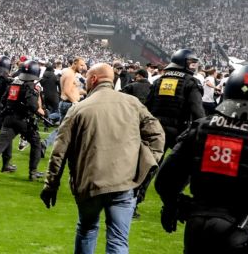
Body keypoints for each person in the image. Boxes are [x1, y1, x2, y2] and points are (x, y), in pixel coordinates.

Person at [155, 64, 248, 254]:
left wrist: (173, 204)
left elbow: (166, 178)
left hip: (197, 223)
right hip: (238, 225)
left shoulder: (202, 126)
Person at [40, 63, 164, 254]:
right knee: (118, 240)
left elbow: (59, 151)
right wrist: (144, 165)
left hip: (90, 183)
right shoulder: (132, 104)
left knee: (87, 229)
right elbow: (157, 135)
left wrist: (50, 185)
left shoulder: (79, 109)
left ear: (93, 79)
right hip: (124, 182)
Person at [0, 59, 47, 184]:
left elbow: (4, 99)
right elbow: (33, 106)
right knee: (36, 143)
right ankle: (33, 172)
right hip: (23, 120)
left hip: (8, 119)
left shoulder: (14, 82)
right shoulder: (31, 86)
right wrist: (42, 112)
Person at [146, 48, 206, 149]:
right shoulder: (191, 82)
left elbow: (148, 105)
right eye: (192, 63)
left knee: (154, 161)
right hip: (179, 130)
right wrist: (203, 129)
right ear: (183, 63)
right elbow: (197, 110)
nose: (194, 66)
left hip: (156, 128)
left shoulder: (159, 80)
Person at [43, 57, 87, 152]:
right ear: (75, 63)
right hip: (69, 104)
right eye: (81, 65)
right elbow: (67, 91)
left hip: (66, 103)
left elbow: (72, 90)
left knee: (63, 129)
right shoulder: (70, 74)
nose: (83, 67)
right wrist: (75, 102)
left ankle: (46, 144)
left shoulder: (69, 72)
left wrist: (84, 92)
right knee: (76, 129)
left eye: (83, 65)